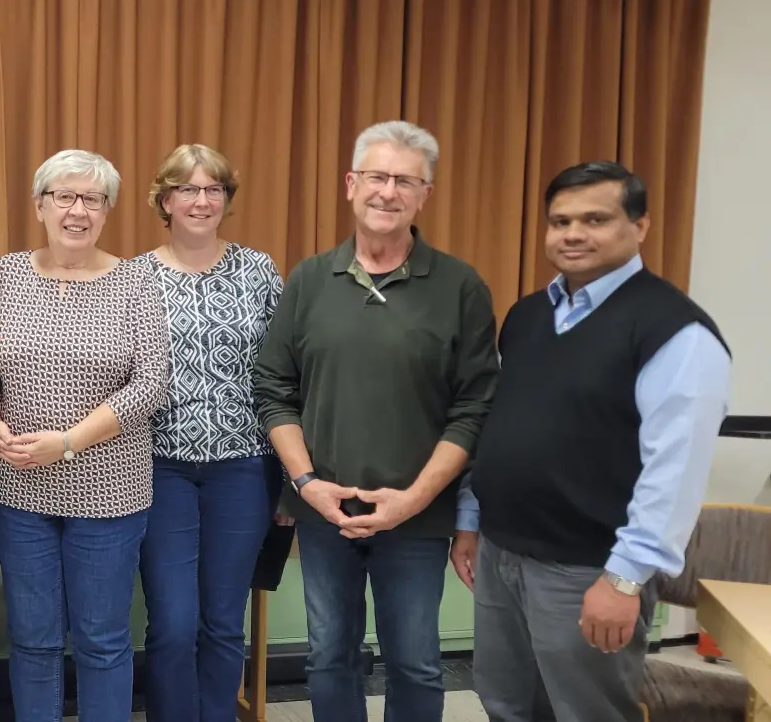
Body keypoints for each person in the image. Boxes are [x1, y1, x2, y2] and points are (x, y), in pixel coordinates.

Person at [453, 162, 731, 722]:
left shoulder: (675, 331)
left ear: (640, 227)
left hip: (589, 569)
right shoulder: (529, 316)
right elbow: (503, 425)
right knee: (506, 704)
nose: (573, 233)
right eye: (561, 221)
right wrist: (472, 517)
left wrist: (625, 578)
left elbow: (673, 472)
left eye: (595, 219)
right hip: (503, 554)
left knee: (586, 712)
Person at [254, 120, 498, 722]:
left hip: (416, 519)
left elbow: (473, 408)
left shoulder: (461, 287)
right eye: (377, 176)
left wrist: (414, 500)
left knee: (415, 663)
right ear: (350, 184)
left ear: (424, 195)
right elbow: (273, 389)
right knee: (328, 657)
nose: (388, 191)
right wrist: (308, 483)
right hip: (324, 512)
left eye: (404, 181)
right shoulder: (310, 279)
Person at [0, 148, 168, 722]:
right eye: (64, 196)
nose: (77, 210)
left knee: (102, 640)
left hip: (110, 490)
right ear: (40, 205)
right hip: (21, 488)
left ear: (108, 209)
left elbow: (149, 386)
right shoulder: (1, 275)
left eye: (92, 198)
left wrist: (66, 442)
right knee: (33, 638)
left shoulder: (138, 281)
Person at [137, 144, 284, 722]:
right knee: (173, 624)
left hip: (243, 467)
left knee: (223, 621)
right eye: (188, 189)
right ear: (166, 199)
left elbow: (282, 375)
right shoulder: (135, 277)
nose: (201, 200)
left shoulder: (259, 271)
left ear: (226, 199)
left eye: (213, 189)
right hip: (159, 466)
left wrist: (294, 478)